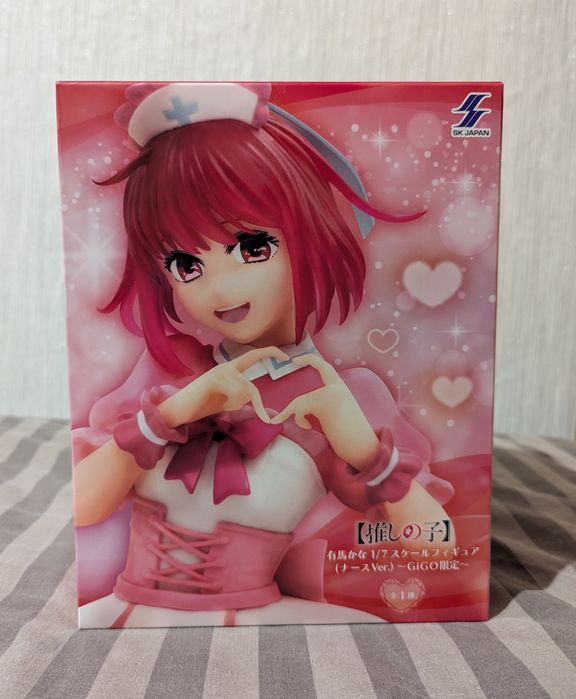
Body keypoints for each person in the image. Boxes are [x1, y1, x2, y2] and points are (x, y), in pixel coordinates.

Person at [73, 83, 455, 628]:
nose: (220, 288)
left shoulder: (343, 398)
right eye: (185, 264)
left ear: (312, 235)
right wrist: (176, 411)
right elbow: (82, 509)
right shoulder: (168, 371)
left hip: (258, 625)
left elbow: (438, 549)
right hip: (126, 617)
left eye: (252, 248)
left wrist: (363, 448)